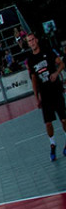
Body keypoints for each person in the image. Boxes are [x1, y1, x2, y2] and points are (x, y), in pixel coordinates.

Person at [24, 32, 66, 161]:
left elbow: (61, 64)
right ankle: (52, 144)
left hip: (56, 90)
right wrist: (36, 97)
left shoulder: (48, 52)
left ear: (36, 40)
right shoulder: (30, 60)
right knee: (48, 123)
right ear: (28, 43)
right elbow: (34, 80)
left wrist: (56, 73)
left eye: (33, 40)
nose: (32, 43)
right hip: (45, 95)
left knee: (64, 120)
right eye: (29, 41)